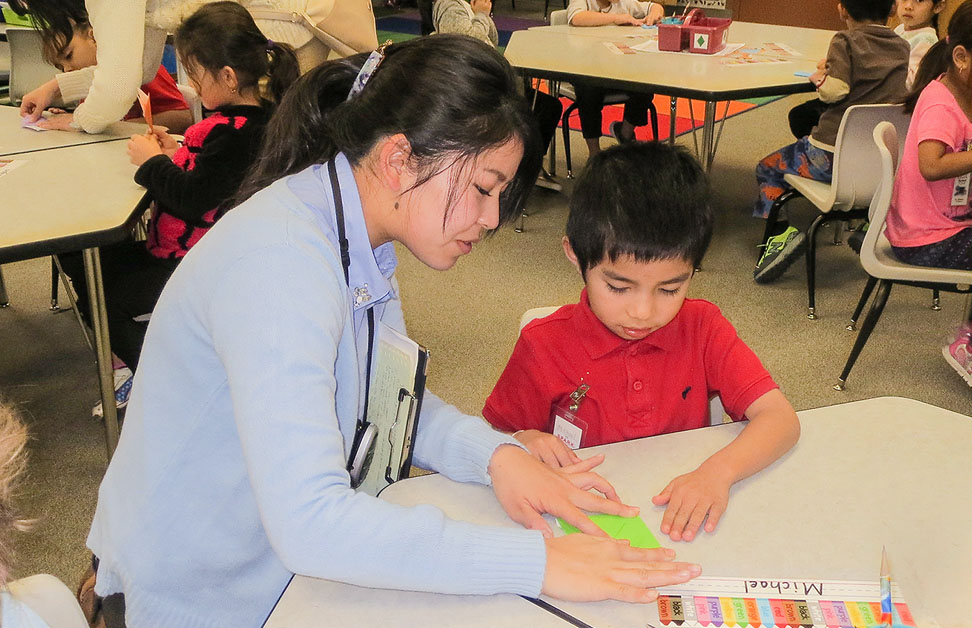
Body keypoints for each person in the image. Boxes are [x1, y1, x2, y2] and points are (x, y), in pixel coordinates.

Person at [84, 35, 701, 628]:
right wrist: (538, 563)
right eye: (483, 188)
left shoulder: (357, 236)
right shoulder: (281, 266)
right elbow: (311, 524)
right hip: (197, 599)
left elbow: (391, 400)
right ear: (399, 159)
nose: (491, 219)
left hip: (275, 574)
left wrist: (497, 456)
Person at [482, 141, 801, 543]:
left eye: (670, 289)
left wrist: (718, 473)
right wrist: (522, 441)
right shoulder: (543, 345)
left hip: (678, 517)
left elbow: (780, 420)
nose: (643, 312)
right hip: (586, 525)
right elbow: (493, 440)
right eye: (619, 287)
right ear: (575, 255)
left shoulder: (702, 327)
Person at [58, 1, 297, 418]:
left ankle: (162, 380)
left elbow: (191, 200)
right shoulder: (249, 122)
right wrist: (178, 153)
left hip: (200, 264)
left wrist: (153, 163)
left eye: (195, 74)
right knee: (81, 257)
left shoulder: (237, 134)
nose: (192, 84)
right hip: (198, 252)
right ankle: (161, 356)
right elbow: (215, 180)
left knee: (101, 300)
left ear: (227, 76)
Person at [11, 0, 377, 134]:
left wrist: (78, 121)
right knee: (295, 146)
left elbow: (119, 85)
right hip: (283, 30)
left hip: (282, 30)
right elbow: (142, 68)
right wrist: (58, 88)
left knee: (277, 152)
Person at [752, 0, 909, 284]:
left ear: (842, 9)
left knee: (768, 167)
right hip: (879, 163)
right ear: (892, 9)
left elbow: (836, 91)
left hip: (829, 157)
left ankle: (780, 235)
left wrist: (820, 79)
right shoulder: (901, 46)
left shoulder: (845, 41)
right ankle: (871, 225)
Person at [886, 0, 972, 386]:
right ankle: (967, 345)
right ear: (961, 57)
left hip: (946, 222)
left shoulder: (963, 90)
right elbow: (931, 165)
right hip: (925, 237)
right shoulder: (942, 103)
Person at [432, 0, 565, 191]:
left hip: (491, 82)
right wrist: (481, 14)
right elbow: (469, 44)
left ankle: (526, 165)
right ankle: (522, 168)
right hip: (477, 89)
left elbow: (492, 39)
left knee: (549, 106)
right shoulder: (449, 5)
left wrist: (482, 15)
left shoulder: (467, 5)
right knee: (541, 108)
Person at [37, 0, 193, 134]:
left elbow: (182, 117)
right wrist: (68, 108)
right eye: (60, 67)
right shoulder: (109, 72)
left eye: (69, 55)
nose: (66, 70)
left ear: (93, 36)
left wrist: (87, 122)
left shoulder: (126, 65)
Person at [566, 0, 664, 156]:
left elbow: (654, 6)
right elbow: (577, 18)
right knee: (588, 89)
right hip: (586, 68)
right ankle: (594, 152)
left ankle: (625, 133)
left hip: (617, 70)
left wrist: (655, 13)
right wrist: (616, 18)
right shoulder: (583, 2)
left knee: (645, 82)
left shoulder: (623, 2)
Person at [896, 0, 944, 89]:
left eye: (919, 0)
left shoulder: (927, 39)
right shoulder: (900, 29)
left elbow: (911, 83)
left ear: (938, 6)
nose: (908, 6)